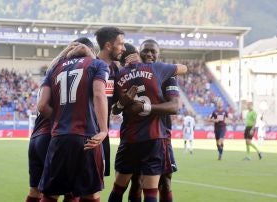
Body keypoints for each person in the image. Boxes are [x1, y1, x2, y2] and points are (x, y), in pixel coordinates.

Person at [108, 43, 187, 202]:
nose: (150, 54)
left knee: (164, 181)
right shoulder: (158, 69)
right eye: (146, 51)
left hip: (157, 134)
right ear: (138, 52)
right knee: (139, 184)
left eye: (153, 51)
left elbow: (174, 106)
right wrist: (123, 104)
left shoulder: (119, 74)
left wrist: (143, 107)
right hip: (151, 137)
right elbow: (183, 68)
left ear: (159, 54)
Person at [37, 38, 109, 202]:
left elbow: (41, 106)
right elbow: (99, 94)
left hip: (59, 138)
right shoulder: (97, 64)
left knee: (50, 195)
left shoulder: (54, 69)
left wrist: (61, 118)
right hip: (87, 137)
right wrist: (104, 130)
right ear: (91, 51)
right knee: (90, 194)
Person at [94, 26, 126, 177]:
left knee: (96, 185)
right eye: (120, 44)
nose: (123, 48)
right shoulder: (90, 65)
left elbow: (117, 106)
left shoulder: (115, 69)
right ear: (108, 45)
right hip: (86, 132)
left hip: (103, 133)